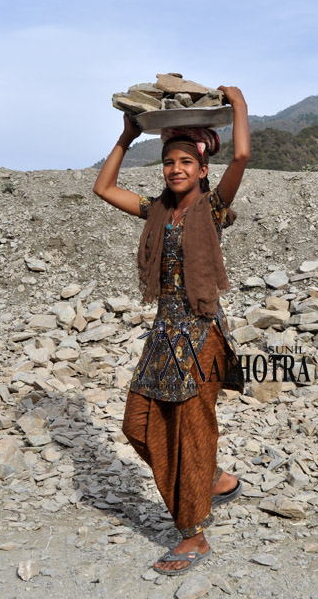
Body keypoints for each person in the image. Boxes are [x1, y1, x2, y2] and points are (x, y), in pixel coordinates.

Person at [93, 85, 250, 575]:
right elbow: (102, 188)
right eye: (169, 162)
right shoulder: (156, 210)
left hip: (202, 334)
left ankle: (192, 535)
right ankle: (212, 480)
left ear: (203, 170)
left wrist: (239, 106)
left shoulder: (213, 207)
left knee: (192, 432)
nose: (176, 169)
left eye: (186, 161)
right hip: (164, 333)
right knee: (136, 425)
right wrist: (125, 136)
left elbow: (242, 153)